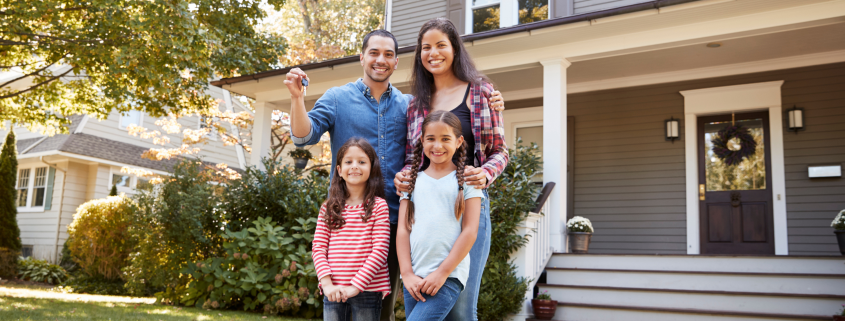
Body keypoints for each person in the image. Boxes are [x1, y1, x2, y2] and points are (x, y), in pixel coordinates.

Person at [285, 29, 505, 321]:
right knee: (343, 308)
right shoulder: (338, 98)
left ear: (397, 62)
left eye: (388, 54)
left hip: (402, 220)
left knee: (385, 312)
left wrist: (493, 102)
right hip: (352, 223)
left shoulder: (409, 104)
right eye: (374, 53)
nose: (380, 60)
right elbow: (303, 137)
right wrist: (297, 99)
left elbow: (437, 141)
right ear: (361, 56)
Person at [394, 18, 509, 321]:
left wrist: (485, 173)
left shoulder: (481, 92)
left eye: (441, 45)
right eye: (426, 47)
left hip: (465, 205)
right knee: (424, 299)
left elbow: (499, 152)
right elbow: (413, 157)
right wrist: (404, 175)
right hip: (426, 210)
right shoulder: (416, 104)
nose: (433, 53)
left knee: (460, 308)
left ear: (455, 49)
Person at [397, 111, 484, 321]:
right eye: (431, 139)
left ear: (459, 141)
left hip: (448, 276)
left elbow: (470, 231)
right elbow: (402, 230)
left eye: (445, 139)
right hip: (414, 278)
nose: (437, 146)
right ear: (421, 140)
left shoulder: (468, 181)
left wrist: (442, 272)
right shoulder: (411, 181)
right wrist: (407, 273)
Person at [312, 137, 391, 321]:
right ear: (339, 170)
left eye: (362, 162)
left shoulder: (379, 206)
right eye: (348, 162)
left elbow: (380, 250)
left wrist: (356, 286)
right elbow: (318, 248)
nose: (355, 166)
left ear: (371, 169)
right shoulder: (329, 208)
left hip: (367, 290)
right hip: (333, 291)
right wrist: (327, 284)